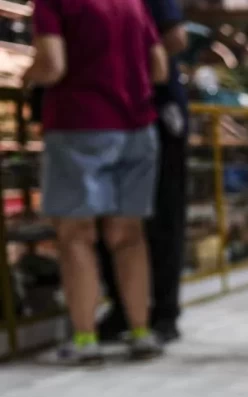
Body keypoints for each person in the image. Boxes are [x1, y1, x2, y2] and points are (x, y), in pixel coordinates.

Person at [27, 0, 168, 364]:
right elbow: (159, 68)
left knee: (76, 234)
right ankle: (141, 333)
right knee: (129, 235)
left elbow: (52, 65)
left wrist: (29, 76)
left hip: (79, 124)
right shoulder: (133, 3)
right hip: (138, 128)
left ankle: (86, 339)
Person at [97, 0, 189, 345]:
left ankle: (165, 311)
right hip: (105, 113)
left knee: (161, 215)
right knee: (108, 215)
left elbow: (176, 38)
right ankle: (123, 306)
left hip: (155, 110)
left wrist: (123, 63)